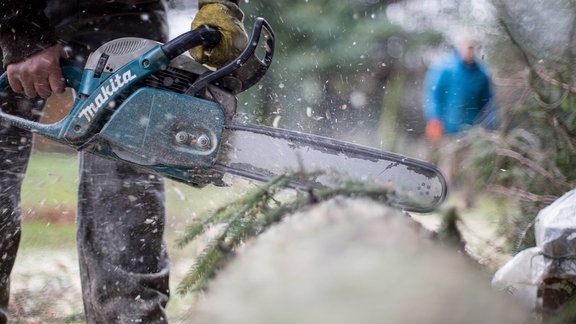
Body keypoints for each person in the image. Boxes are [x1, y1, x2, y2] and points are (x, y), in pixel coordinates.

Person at [0, 0, 247, 323]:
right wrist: (21, 35)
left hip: (126, 11)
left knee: (124, 190)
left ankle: (129, 315)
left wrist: (219, 4)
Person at [422, 34, 497, 143]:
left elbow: (488, 103)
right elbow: (433, 94)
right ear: (460, 46)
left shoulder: (482, 74)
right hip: (446, 129)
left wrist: (489, 126)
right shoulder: (444, 67)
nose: (470, 51)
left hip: (471, 132)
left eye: (473, 48)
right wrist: (434, 119)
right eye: (468, 47)